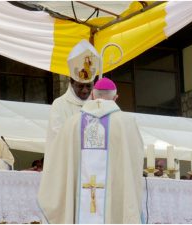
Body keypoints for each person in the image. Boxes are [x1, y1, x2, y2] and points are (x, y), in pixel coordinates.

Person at [38, 78, 144, 224]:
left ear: (93, 95)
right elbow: (136, 159)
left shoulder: (72, 123)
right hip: (115, 197)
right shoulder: (127, 123)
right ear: (115, 98)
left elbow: (57, 157)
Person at [44, 39, 99, 154]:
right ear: (72, 82)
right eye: (80, 86)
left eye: (88, 86)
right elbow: (57, 136)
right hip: (68, 160)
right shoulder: (59, 104)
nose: (85, 91)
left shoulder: (96, 105)